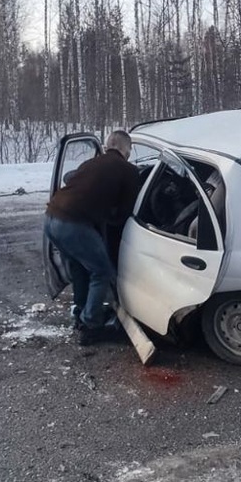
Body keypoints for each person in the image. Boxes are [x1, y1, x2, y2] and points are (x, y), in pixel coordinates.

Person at [44, 130, 140, 345]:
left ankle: (81, 312)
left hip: (51, 219)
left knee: (79, 267)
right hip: (73, 225)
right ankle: (92, 325)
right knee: (101, 271)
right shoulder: (129, 171)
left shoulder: (90, 163)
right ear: (127, 149)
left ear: (107, 146)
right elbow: (124, 214)